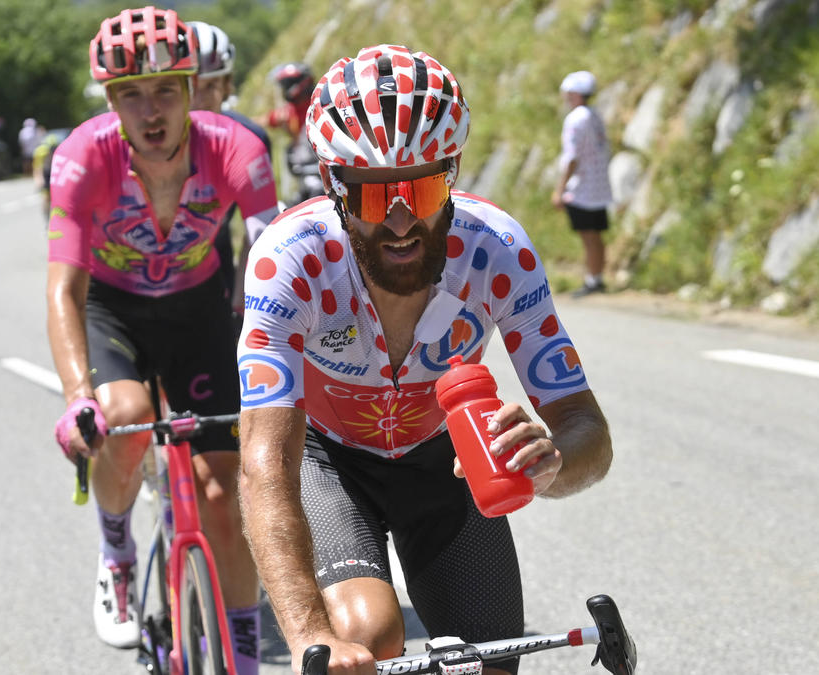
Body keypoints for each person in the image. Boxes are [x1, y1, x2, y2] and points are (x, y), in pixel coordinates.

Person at [235, 44, 613, 675]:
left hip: (445, 463)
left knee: (492, 659)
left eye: (425, 186)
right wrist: (305, 636)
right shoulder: (288, 260)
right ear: (334, 186)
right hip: (330, 464)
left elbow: (586, 427)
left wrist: (553, 462)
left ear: (455, 170)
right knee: (366, 637)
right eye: (377, 197)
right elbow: (265, 466)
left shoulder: (498, 251)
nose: (404, 221)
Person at [46, 7, 277, 672]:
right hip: (112, 308)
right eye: (130, 95)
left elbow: (271, 262)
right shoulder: (81, 157)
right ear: (111, 101)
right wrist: (75, 396)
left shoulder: (238, 149)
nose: (150, 112)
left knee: (223, 495)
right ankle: (116, 548)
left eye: (166, 92)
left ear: (191, 88)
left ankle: (241, 656)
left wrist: (285, 363)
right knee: (123, 417)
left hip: (199, 309)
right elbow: (64, 289)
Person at [187, 20, 273, 322]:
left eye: (210, 86)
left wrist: (241, 304)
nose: (198, 101)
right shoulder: (151, 142)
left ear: (227, 86)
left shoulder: (250, 140)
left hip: (215, 258)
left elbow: (257, 234)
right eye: (190, 87)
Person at [551, 70, 612, 298]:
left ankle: (592, 279)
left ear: (575, 94)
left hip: (582, 187)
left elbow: (572, 157)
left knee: (588, 237)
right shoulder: (594, 116)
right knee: (596, 236)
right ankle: (597, 277)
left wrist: (560, 189)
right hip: (598, 185)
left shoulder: (576, 119)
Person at [264, 61, 322, 205]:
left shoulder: (320, 105)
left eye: (285, 85)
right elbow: (269, 119)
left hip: (323, 175)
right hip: (307, 173)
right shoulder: (291, 111)